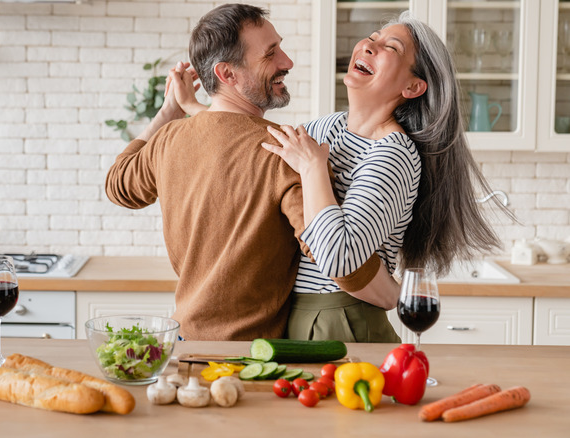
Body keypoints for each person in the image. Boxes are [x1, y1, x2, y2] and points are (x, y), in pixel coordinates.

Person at [104, 4, 395, 341]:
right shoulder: (284, 152)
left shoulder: (169, 139)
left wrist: (168, 111)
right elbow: (337, 259)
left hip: (183, 344)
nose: (287, 62)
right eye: (271, 54)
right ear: (227, 74)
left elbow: (118, 185)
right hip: (249, 358)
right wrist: (395, 296)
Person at [258, 11, 508, 341]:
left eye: (390, 46)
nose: (369, 46)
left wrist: (314, 168)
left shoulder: (393, 154)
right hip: (294, 314)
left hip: (343, 320)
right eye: (372, 37)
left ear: (413, 86)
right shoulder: (323, 128)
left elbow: (339, 258)